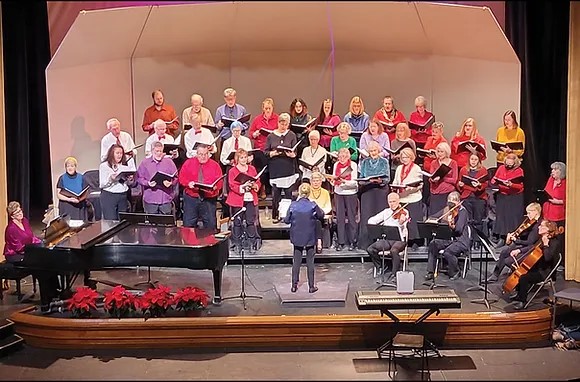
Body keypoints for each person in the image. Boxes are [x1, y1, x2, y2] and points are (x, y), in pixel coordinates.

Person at [510, 220, 561, 310]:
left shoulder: (554, 242)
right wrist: (519, 251)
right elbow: (532, 248)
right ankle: (519, 294)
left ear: (548, 229)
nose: (538, 227)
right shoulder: (541, 239)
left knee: (524, 277)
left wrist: (545, 245)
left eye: (541, 226)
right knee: (518, 269)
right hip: (538, 267)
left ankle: (523, 301)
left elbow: (547, 258)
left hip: (545, 272)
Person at [486, 202, 542, 283]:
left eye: (529, 213)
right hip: (524, 246)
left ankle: (516, 281)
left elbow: (530, 242)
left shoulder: (538, 225)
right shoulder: (531, 222)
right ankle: (495, 275)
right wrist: (514, 235)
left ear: (536, 212)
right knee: (504, 252)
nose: (528, 215)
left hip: (530, 249)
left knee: (507, 261)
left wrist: (516, 240)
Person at [284, 182, 324, 294]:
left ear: (300, 193)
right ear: (309, 192)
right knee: (310, 262)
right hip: (310, 237)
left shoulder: (293, 205)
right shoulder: (313, 205)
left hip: (297, 237)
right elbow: (321, 215)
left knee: (296, 261)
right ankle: (311, 287)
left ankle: (293, 286)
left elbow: (286, 220)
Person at [425, 191, 471, 281]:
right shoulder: (447, 209)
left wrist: (451, 226)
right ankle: (431, 271)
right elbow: (434, 216)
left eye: (454, 200)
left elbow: (458, 230)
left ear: (459, 201)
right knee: (433, 244)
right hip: (449, 238)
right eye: (449, 200)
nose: (451, 203)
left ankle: (455, 271)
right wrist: (430, 220)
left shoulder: (462, 212)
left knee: (448, 252)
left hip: (460, 240)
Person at [178, 144, 224, 230]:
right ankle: (190, 242)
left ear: (209, 154)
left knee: (210, 224)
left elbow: (220, 181)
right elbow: (181, 178)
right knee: (189, 223)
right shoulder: (188, 163)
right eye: (201, 154)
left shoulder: (215, 165)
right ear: (197, 154)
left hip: (208, 198)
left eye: (205, 154)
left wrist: (215, 187)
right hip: (192, 197)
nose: (203, 157)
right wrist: (188, 183)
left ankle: (209, 242)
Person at [264, 113, 299, 223]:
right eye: (281, 123)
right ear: (278, 123)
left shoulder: (292, 135)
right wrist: (272, 153)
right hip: (276, 169)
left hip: (288, 168)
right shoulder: (271, 136)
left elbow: (295, 151)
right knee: (276, 195)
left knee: (288, 194)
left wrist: (293, 155)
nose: (283, 126)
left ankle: (288, 216)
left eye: (286, 124)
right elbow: (265, 152)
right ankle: (276, 215)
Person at [366, 192, 409, 281]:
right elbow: (372, 220)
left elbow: (402, 225)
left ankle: (395, 273)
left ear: (398, 201)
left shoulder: (404, 212)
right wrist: (373, 224)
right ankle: (381, 266)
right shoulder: (386, 212)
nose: (392, 204)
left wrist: (401, 222)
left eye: (394, 201)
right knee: (370, 249)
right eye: (390, 202)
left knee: (394, 251)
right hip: (388, 239)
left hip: (399, 239)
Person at [226, 148, 261, 251]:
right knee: (237, 222)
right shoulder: (232, 170)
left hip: (250, 198)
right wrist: (243, 187)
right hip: (237, 199)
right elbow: (231, 185)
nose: (244, 159)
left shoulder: (252, 169)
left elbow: (258, 181)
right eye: (241, 157)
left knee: (251, 221)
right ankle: (237, 243)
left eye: (245, 157)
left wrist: (255, 185)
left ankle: (251, 242)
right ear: (237, 158)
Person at [357, 141, 390, 250]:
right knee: (367, 217)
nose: (373, 153)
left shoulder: (384, 161)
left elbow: (387, 179)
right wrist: (366, 181)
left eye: (375, 150)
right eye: (371, 151)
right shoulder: (365, 162)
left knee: (380, 217)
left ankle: (382, 243)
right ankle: (366, 243)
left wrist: (380, 180)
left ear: (378, 150)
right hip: (368, 191)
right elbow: (361, 177)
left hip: (380, 191)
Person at [391, 147, 424, 247]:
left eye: (406, 157)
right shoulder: (399, 168)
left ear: (411, 157)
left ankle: (415, 241)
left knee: (413, 221)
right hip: (402, 198)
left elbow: (420, 184)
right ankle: (404, 240)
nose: (404, 159)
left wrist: (411, 189)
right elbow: (396, 180)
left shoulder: (416, 168)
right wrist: (394, 186)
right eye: (403, 157)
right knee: (403, 220)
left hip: (413, 198)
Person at [136, 141, 179, 215]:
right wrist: (148, 183)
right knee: (152, 223)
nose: (159, 153)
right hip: (151, 199)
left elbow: (175, 177)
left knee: (166, 224)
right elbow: (139, 178)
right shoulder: (145, 162)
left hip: (165, 198)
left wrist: (171, 183)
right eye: (157, 151)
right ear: (152, 151)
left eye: (160, 151)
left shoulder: (169, 162)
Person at [491, 153, 525, 244]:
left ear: (515, 163)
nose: (508, 166)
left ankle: (511, 239)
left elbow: (520, 187)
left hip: (515, 197)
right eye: (507, 164)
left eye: (510, 165)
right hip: (502, 195)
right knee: (501, 217)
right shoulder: (501, 168)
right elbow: (493, 180)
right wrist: (495, 181)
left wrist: (511, 184)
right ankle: (502, 238)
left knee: (512, 218)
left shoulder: (519, 171)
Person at [332, 147, 359, 251]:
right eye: (340, 156)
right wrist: (333, 181)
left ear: (348, 156)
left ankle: (353, 241)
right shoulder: (336, 165)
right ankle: (341, 241)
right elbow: (335, 177)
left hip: (350, 193)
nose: (342, 158)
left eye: (344, 156)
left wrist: (344, 182)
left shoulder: (353, 165)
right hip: (339, 192)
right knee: (340, 218)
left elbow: (354, 181)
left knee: (352, 217)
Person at [99, 144, 135, 220]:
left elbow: (127, 184)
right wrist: (111, 179)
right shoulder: (104, 166)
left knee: (122, 221)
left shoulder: (125, 166)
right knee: (111, 221)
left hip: (122, 195)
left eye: (121, 153)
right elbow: (102, 184)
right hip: (109, 196)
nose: (120, 155)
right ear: (112, 154)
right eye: (117, 153)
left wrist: (130, 179)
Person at [457, 153, 488, 233]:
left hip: (479, 198)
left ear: (479, 161)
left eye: (475, 159)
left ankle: (477, 240)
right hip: (466, 197)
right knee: (467, 219)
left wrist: (479, 184)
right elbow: (459, 184)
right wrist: (460, 185)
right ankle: (468, 238)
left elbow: (485, 184)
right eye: (472, 159)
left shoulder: (483, 170)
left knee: (478, 220)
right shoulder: (463, 170)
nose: (473, 161)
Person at [543, 161, 566, 264]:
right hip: (548, 212)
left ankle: (559, 262)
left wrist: (559, 202)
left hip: (558, 214)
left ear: (560, 171)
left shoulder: (565, 183)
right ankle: (549, 261)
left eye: (555, 170)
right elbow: (547, 191)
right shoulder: (551, 180)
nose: (552, 171)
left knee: (558, 240)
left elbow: (570, 199)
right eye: (552, 169)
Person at [428, 142, 458, 217]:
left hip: (447, 193)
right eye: (438, 151)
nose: (439, 154)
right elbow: (431, 177)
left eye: (442, 152)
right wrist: (433, 180)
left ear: (446, 152)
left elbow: (454, 180)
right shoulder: (434, 163)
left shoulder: (453, 163)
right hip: (435, 193)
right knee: (434, 216)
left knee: (446, 216)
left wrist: (442, 178)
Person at [308, 171, 332, 252]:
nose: (316, 183)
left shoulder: (325, 192)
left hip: (322, 214)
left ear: (321, 181)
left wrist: (322, 212)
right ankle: (319, 241)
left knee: (318, 219)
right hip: (310, 214)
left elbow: (328, 206)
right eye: (314, 181)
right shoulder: (307, 191)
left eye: (318, 181)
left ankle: (319, 242)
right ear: (310, 182)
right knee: (317, 221)